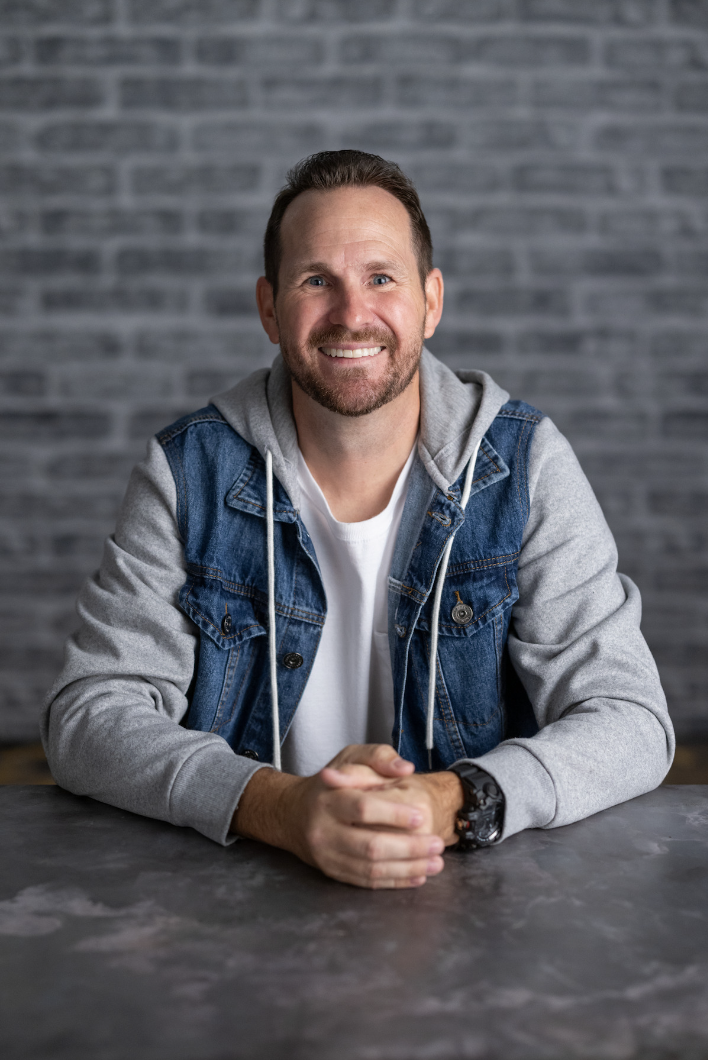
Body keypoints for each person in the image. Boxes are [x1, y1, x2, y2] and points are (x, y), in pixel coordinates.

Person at [43, 150, 674, 889]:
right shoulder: (190, 471)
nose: (351, 314)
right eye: (317, 281)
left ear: (431, 301)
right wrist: (280, 807)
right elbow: (88, 715)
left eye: (381, 278)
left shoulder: (524, 463)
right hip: (240, 897)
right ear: (269, 308)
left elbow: (630, 718)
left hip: (478, 899)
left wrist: (452, 802)